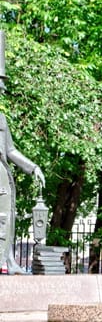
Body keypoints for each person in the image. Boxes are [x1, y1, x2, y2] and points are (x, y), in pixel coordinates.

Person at [0, 76, 46, 275]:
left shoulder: (1, 118)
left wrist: (33, 167)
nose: (2, 92)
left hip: (1, 174)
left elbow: (10, 150)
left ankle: (7, 261)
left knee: (5, 218)